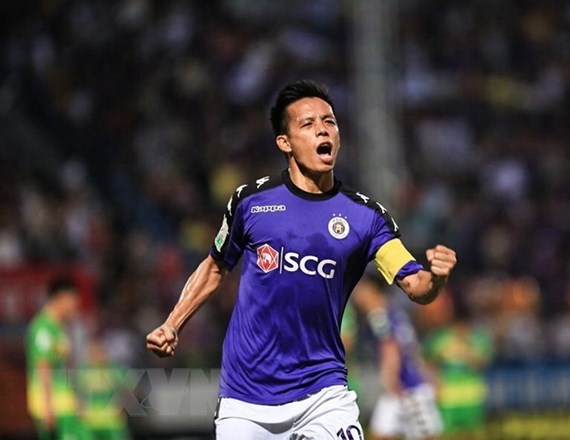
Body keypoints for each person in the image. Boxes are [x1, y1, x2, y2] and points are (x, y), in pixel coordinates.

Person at [145, 79, 457, 439]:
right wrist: (173, 323)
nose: (323, 129)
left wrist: (437, 277)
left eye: (330, 122)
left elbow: (416, 285)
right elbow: (215, 267)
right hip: (245, 398)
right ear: (285, 142)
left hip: (323, 394)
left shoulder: (367, 217)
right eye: (308, 124)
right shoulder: (251, 202)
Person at [351, 273, 443, 440]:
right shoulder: (394, 313)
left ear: (373, 291)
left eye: (362, 290)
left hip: (406, 386)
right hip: (406, 383)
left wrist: (389, 377)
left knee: (425, 436)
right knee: (381, 433)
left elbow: (390, 346)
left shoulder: (379, 317)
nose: (357, 295)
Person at [26, 277, 91, 440]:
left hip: (65, 403)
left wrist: (77, 397)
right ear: (60, 299)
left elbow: (65, 368)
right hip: (54, 405)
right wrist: (47, 406)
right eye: (73, 300)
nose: (75, 305)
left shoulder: (60, 327)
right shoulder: (43, 328)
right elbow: (43, 365)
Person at [423, 297, 493, 440]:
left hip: (472, 394)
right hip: (448, 395)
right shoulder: (440, 338)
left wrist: (468, 352)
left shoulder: (477, 338)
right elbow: (428, 362)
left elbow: (483, 363)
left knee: (472, 434)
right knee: (448, 434)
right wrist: (433, 383)